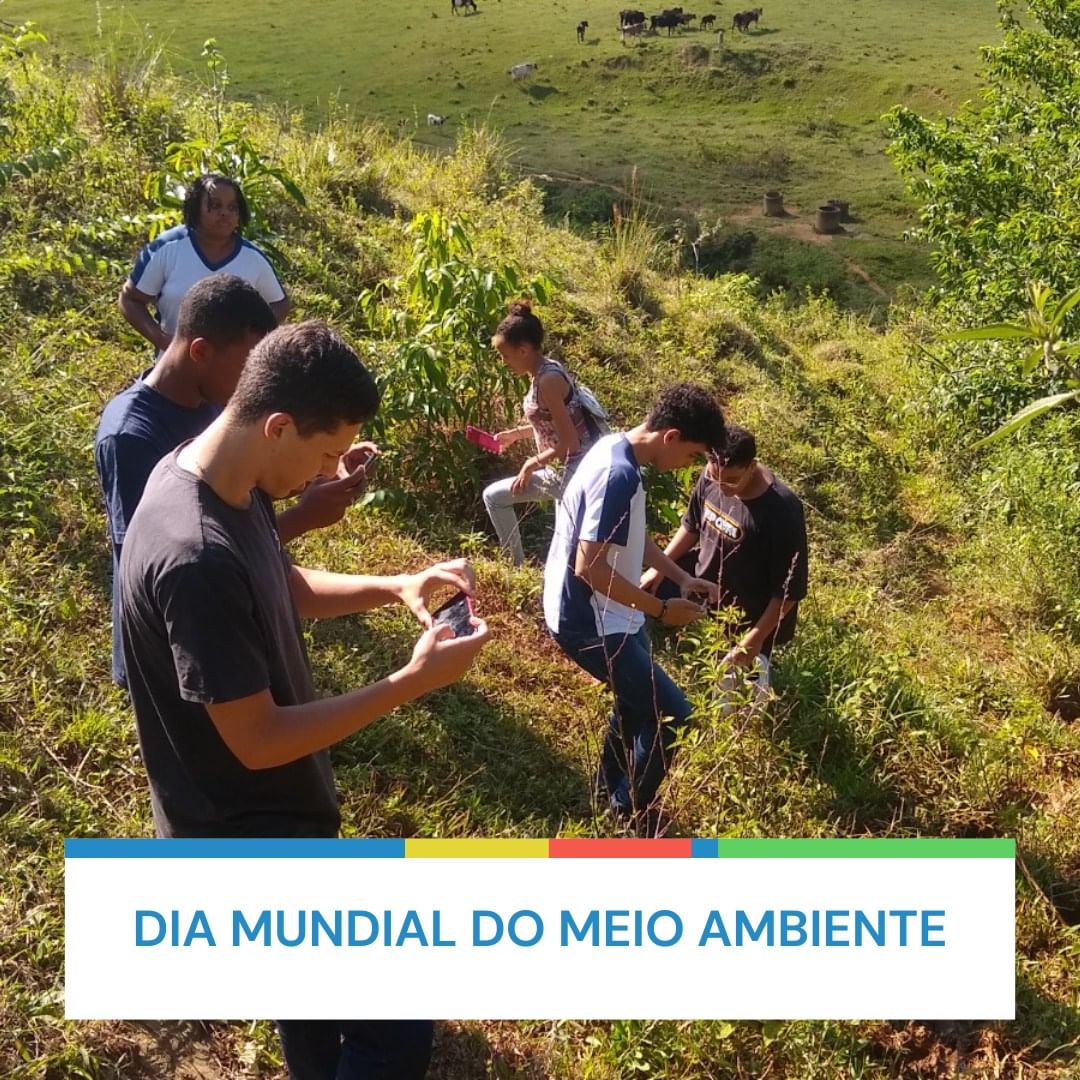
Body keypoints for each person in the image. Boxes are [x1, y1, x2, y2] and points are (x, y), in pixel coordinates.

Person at [118, 319, 489, 1078]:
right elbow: (256, 739)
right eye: (323, 454)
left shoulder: (216, 475)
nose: (328, 472)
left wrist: (395, 586)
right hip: (243, 844)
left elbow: (283, 586)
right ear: (278, 423)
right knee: (394, 1022)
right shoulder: (195, 558)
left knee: (316, 1018)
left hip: (268, 824)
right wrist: (409, 682)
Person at [96, 275, 372, 688]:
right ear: (201, 351)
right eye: (248, 367)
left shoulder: (218, 406)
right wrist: (302, 516)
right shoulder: (131, 437)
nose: (259, 385)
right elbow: (173, 561)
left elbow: (235, 510)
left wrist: (316, 465)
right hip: (179, 651)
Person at [543, 382, 726, 830]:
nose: (685, 467)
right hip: (589, 622)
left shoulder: (616, 450)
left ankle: (607, 787)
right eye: (689, 456)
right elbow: (591, 567)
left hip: (608, 615)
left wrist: (681, 577)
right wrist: (661, 610)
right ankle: (627, 809)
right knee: (675, 716)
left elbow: (631, 537)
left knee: (635, 700)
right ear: (671, 437)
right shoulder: (619, 475)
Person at [640, 424, 809, 677]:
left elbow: (789, 589)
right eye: (714, 475)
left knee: (741, 686)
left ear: (752, 466)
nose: (721, 486)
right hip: (703, 591)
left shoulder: (781, 511)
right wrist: (658, 568)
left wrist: (754, 638)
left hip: (748, 617)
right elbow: (692, 526)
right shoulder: (711, 477)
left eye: (731, 480)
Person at [483, 301, 601, 565]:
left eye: (506, 356)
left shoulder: (547, 381)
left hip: (571, 471)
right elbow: (553, 423)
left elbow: (570, 441)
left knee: (494, 498)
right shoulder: (548, 369)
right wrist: (515, 434)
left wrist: (531, 464)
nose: (504, 362)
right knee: (565, 551)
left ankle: (515, 566)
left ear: (523, 350)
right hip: (566, 469)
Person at [118, 173, 290, 354]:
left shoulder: (253, 259)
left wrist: (250, 339)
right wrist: (162, 340)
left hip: (233, 375)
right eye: (215, 205)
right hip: (174, 372)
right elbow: (130, 299)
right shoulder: (168, 249)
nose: (225, 213)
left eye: (232, 207)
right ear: (195, 208)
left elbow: (280, 304)